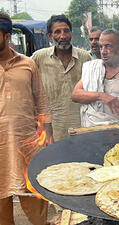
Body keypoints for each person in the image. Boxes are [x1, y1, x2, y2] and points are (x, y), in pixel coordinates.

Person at [0, 12, 53, 225]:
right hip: (0, 148)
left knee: (35, 200)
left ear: (7, 37)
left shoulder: (28, 64)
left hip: (27, 143)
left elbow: (41, 100)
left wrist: (47, 133)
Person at [32, 15, 92, 141]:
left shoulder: (85, 58)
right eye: (57, 32)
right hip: (50, 130)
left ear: (71, 33)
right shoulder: (39, 58)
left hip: (81, 128)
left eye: (66, 31)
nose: (63, 36)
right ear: (49, 36)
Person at [72, 29, 119, 128]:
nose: (103, 51)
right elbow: (75, 95)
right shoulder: (94, 69)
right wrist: (101, 96)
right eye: (101, 47)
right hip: (94, 135)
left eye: (108, 46)